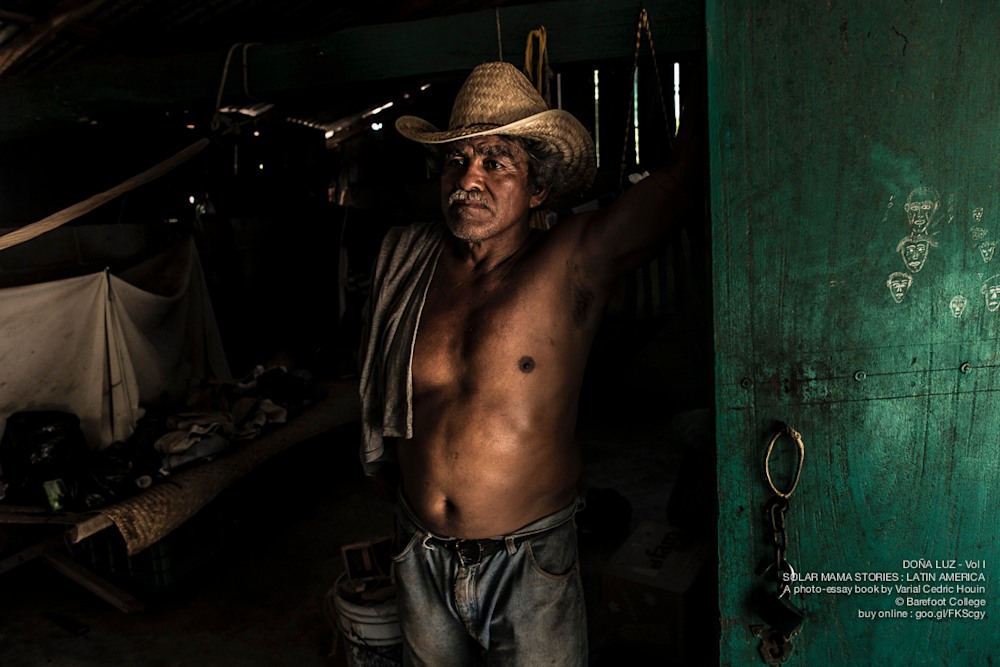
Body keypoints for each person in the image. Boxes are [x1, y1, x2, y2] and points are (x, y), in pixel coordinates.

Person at [358, 61, 701, 666]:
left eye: (496, 162)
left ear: (537, 189)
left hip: (528, 562)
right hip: (419, 551)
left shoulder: (571, 261)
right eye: (457, 160)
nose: (469, 177)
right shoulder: (410, 264)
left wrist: (704, 75)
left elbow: (676, 187)